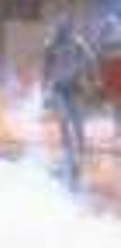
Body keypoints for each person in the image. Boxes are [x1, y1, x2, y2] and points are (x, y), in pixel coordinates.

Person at [43, 17, 97, 185]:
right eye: (61, 29)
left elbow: (91, 59)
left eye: (65, 29)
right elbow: (46, 67)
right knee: (64, 120)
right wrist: (44, 91)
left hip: (73, 89)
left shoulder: (77, 42)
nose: (63, 32)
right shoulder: (51, 44)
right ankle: (69, 155)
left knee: (79, 125)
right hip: (58, 89)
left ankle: (80, 156)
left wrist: (89, 76)